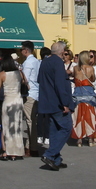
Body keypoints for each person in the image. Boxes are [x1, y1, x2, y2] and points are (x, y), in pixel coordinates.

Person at [38, 41, 74, 171]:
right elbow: (60, 84)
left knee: (54, 130)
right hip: (57, 102)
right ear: (61, 52)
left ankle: (56, 159)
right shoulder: (58, 63)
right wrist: (65, 103)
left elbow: (39, 80)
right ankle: (49, 154)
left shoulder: (45, 62)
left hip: (47, 102)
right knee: (66, 128)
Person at [0, 55, 27, 160]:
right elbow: (26, 84)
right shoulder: (20, 73)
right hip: (18, 101)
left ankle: (6, 151)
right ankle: (17, 151)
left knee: (6, 126)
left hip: (8, 101)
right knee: (17, 126)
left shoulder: (2, 74)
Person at [71, 51, 96, 145]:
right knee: (90, 117)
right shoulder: (90, 68)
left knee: (78, 117)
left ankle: (79, 139)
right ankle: (90, 139)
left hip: (77, 95)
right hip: (88, 95)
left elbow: (74, 77)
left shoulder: (75, 68)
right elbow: (92, 79)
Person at [19, 41, 42, 155]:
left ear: (26, 50)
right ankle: (30, 145)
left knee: (30, 121)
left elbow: (25, 80)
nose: (21, 51)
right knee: (32, 120)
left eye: (21, 49)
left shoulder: (28, 63)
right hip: (36, 92)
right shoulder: (36, 61)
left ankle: (32, 147)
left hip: (29, 94)